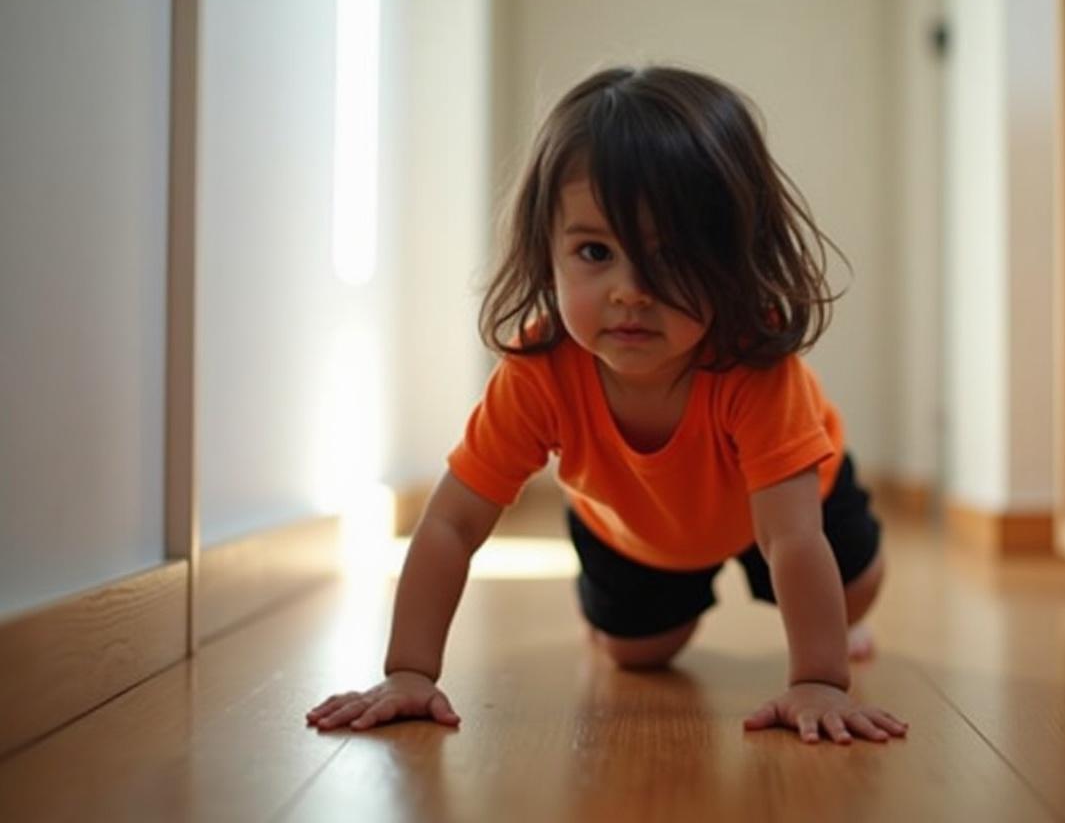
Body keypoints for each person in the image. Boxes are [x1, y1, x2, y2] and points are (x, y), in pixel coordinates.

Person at [306, 65, 908, 746]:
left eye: (671, 257)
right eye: (595, 251)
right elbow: (450, 523)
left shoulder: (754, 362)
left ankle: (841, 618)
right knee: (639, 654)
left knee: (849, 593)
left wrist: (819, 681)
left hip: (787, 503)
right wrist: (409, 672)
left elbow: (792, 539)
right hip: (632, 523)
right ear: (547, 256)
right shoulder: (539, 371)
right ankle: (610, 602)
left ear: (735, 259)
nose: (630, 291)